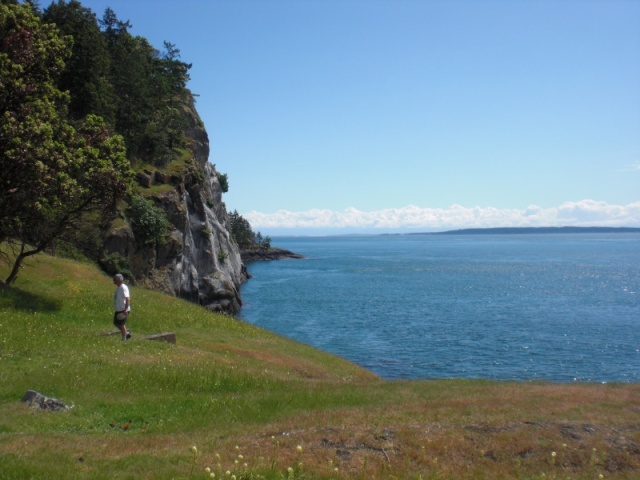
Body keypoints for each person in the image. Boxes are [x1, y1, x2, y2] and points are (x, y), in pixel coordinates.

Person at [112, 274, 132, 340]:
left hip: (123, 309)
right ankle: (126, 333)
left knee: (121, 324)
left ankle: (124, 337)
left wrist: (126, 309)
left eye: (114, 279)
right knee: (116, 323)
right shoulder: (118, 288)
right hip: (118, 309)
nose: (113, 280)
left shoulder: (123, 288)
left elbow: (127, 298)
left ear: (118, 280)